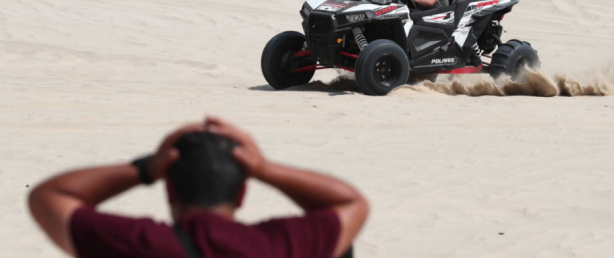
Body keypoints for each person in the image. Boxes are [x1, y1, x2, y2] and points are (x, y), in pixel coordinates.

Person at [28, 116, 369, 258]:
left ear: (169, 189)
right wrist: (265, 169)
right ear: (241, 192)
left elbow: (49, 196)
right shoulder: (275, 245)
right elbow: (350, 203)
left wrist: (147, 167)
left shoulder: (139, 244)